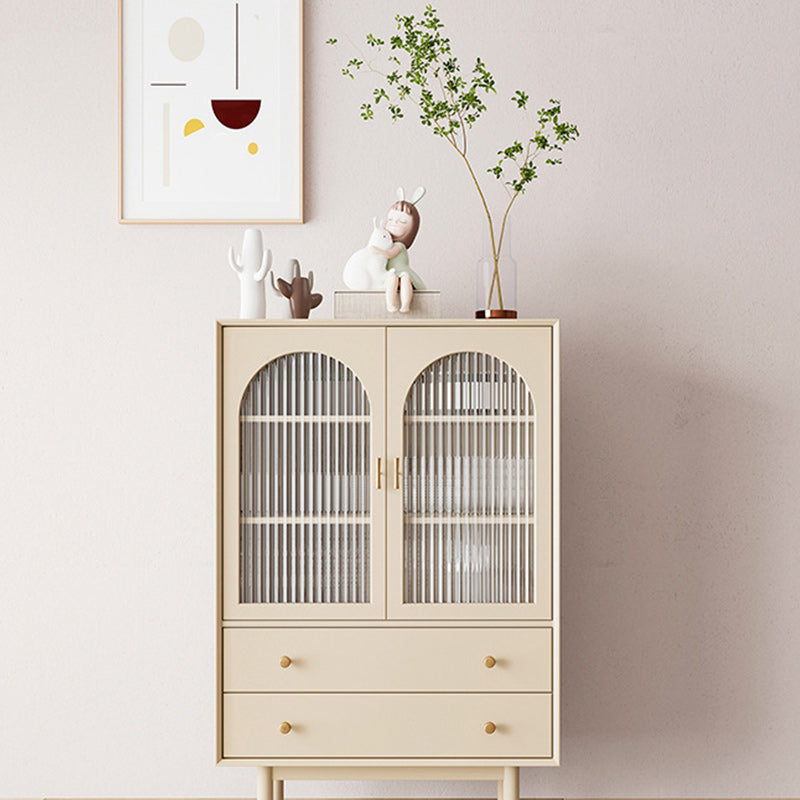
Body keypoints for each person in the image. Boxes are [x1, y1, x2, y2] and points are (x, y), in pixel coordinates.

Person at [370, 187, 426, 312]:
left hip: (401, 271)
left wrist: (378, 251)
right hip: (391, 273)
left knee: (405, 278)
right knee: (392, 279)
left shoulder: (399, 246)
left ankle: (405, 304)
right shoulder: (387, 243)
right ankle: (391, 304)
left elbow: (390, 254)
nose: (393, 223)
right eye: (390, 220)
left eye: (401, 221)